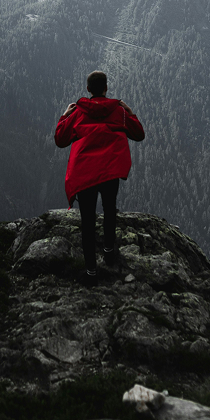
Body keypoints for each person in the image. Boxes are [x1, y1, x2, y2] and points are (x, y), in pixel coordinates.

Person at [54, 70, 145, 281]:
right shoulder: (119, 112)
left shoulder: (77, 112)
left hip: (85, 171)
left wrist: (64, 116)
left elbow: (60, 139)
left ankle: (91, 271)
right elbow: (138, 134)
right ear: (106, 88)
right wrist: (130, 113)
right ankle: (108, 251)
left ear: (88, 90)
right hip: (110, 168)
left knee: (87, 219)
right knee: (109, 208)